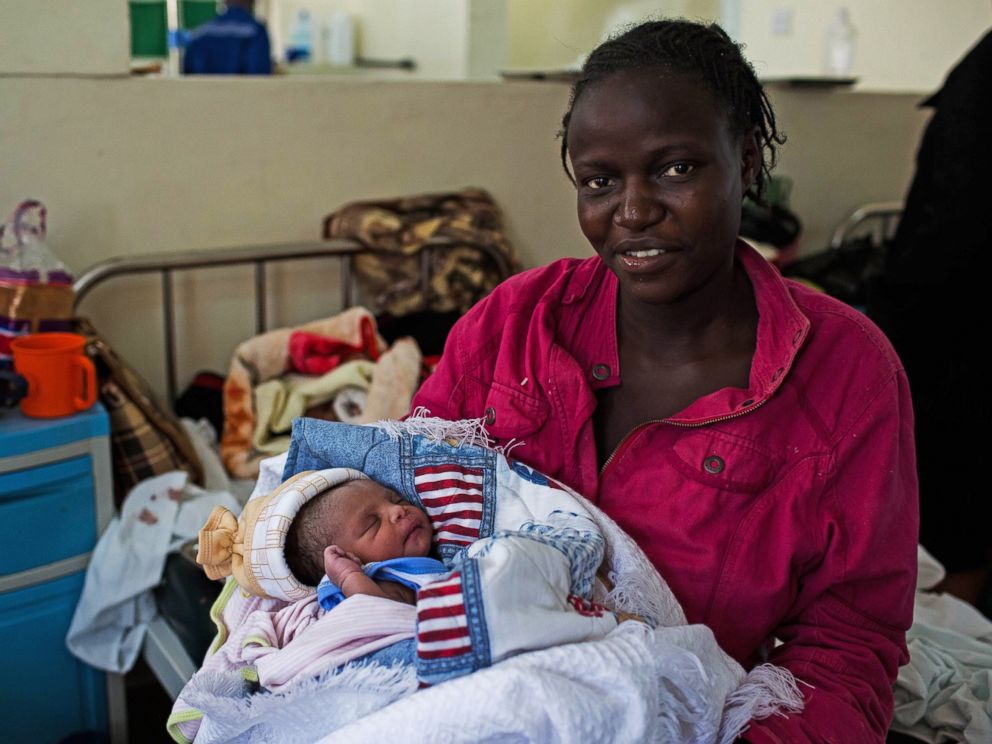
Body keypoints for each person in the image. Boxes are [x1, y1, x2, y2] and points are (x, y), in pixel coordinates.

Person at [410, 19, 918, 743]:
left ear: (746, 161)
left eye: (675, 168)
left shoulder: (844, 370)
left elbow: (848, 646)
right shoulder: (514, 323)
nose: (633, 211)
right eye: (600, 180)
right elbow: (402, 511)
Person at [868, 30, 992, 609]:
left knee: (952, 495)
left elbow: (951, 223)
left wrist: (888, 314)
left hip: (954, 324)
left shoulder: (980, 83)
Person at [197, 468, 441, 605]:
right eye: (372, 525)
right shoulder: (375, 582)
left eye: (395, 499)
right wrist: (350, 578)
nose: (398, 510)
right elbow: (379, 611)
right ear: (343, 561)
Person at [182, 0, 272, 76]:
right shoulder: (255, 32)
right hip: (241, 95)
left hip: (202, 95)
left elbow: (187, 76)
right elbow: (259, 76)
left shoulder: (200, 33)